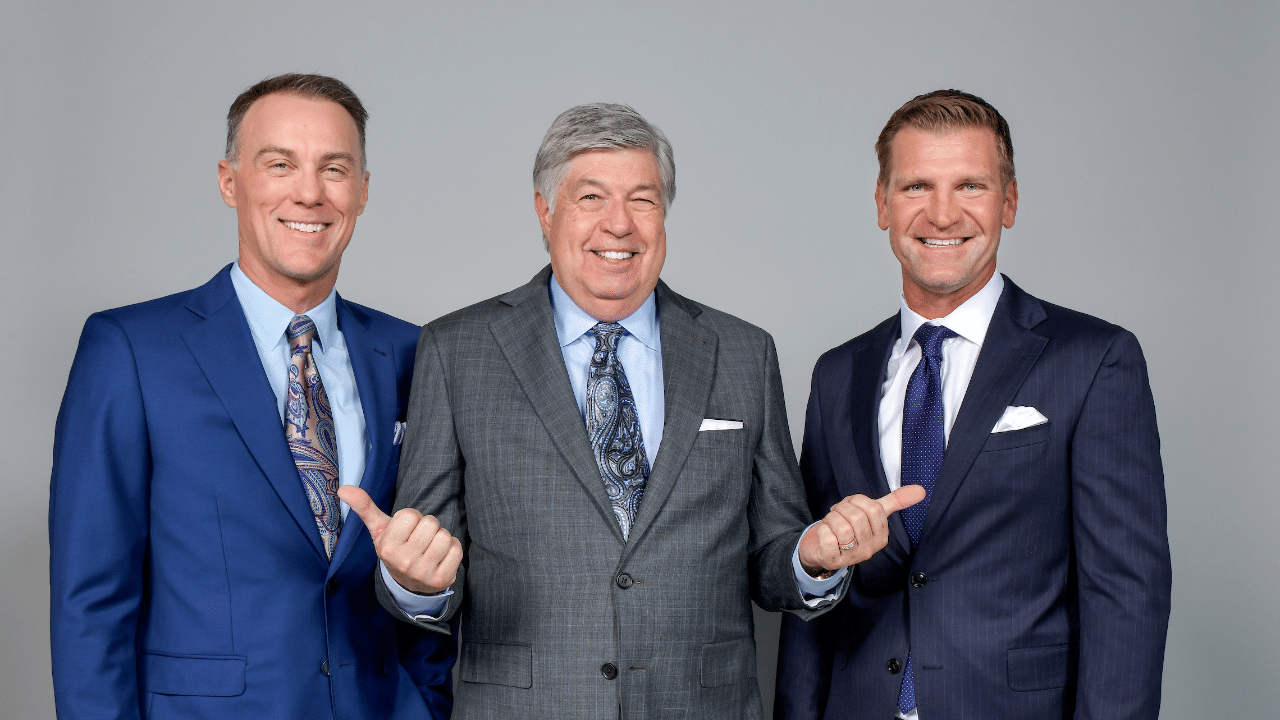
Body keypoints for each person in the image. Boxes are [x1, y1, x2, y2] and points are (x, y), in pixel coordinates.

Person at [338, 103, 922, 719]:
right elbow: (427, 552)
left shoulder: (744, 352)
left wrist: (812, 559)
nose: (620, 225)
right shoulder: (458, 351)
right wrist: (415, 581)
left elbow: (774, 554)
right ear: (545, 211)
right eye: (591, 197)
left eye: (642, 199)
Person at [49, 73, 454, 719]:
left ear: (364, 190)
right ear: (229, 180)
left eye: (335, 168)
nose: (310, 192)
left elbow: (432, 566)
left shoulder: (416, 354)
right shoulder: (130, 349)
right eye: (280, 164)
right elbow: (90, 601)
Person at [774, 89, 1172, 719]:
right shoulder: (838, 374)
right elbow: (820, 583)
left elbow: (1127, 593)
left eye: (970, 187)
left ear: (1008, 202)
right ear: (882, 203)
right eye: (916, 187)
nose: (942, 214)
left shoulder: (1094, 360)